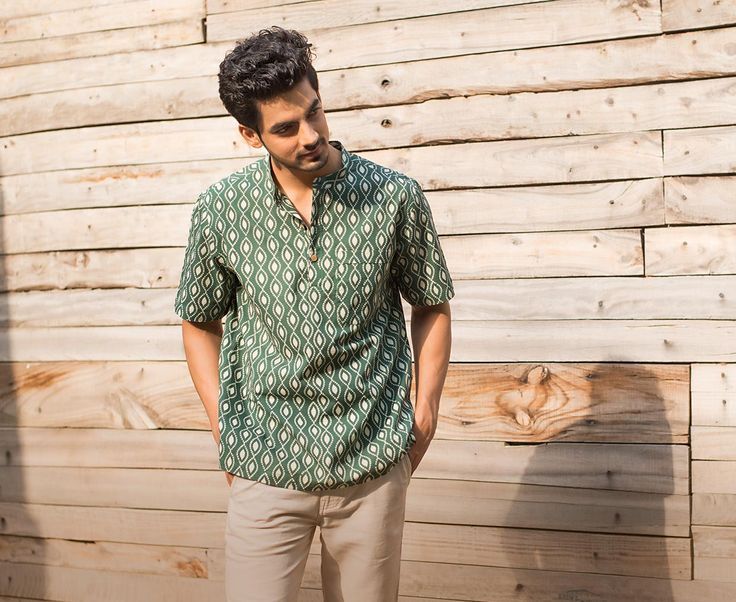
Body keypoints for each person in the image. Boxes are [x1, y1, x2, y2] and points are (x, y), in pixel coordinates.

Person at [174, 25, 454, 602]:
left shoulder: (393, 197)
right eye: (285, 127)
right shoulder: (221, 209)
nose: (311, 135)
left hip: (373, 462)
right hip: (263, 464)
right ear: (250, 135)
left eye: (315, 113)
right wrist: (221, 422)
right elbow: (198, 320)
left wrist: (423, 412)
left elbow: (431, 304)